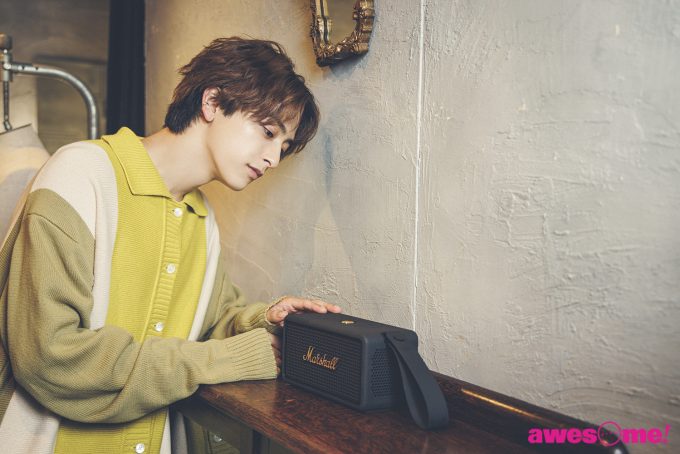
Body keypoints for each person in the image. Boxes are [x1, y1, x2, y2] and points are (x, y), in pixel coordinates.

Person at [0, 37, 340, 454]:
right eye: (268, 132)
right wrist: (230, 359)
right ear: (212, 102)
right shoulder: (80, 175)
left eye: (283, 147)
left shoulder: (201, 217)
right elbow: (49, 356)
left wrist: (265, 320)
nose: (273, 158)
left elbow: (210, 324)